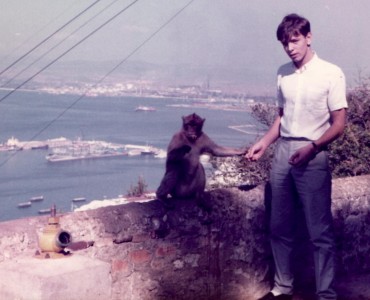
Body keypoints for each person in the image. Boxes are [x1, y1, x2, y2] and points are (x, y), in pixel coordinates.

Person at [246, 13, 347, 300]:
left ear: (308, 37)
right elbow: (281, 117)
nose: (290, 48)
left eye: (295, 40)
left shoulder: (331, 72)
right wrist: (264, 143)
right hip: (283, 153)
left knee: (319, 231)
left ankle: (326, 294)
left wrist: (313, 147)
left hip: (313, 153)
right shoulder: (282, 72)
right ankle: (282, 288)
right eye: (285, 43)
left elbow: (339, 123)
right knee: (279, 226)